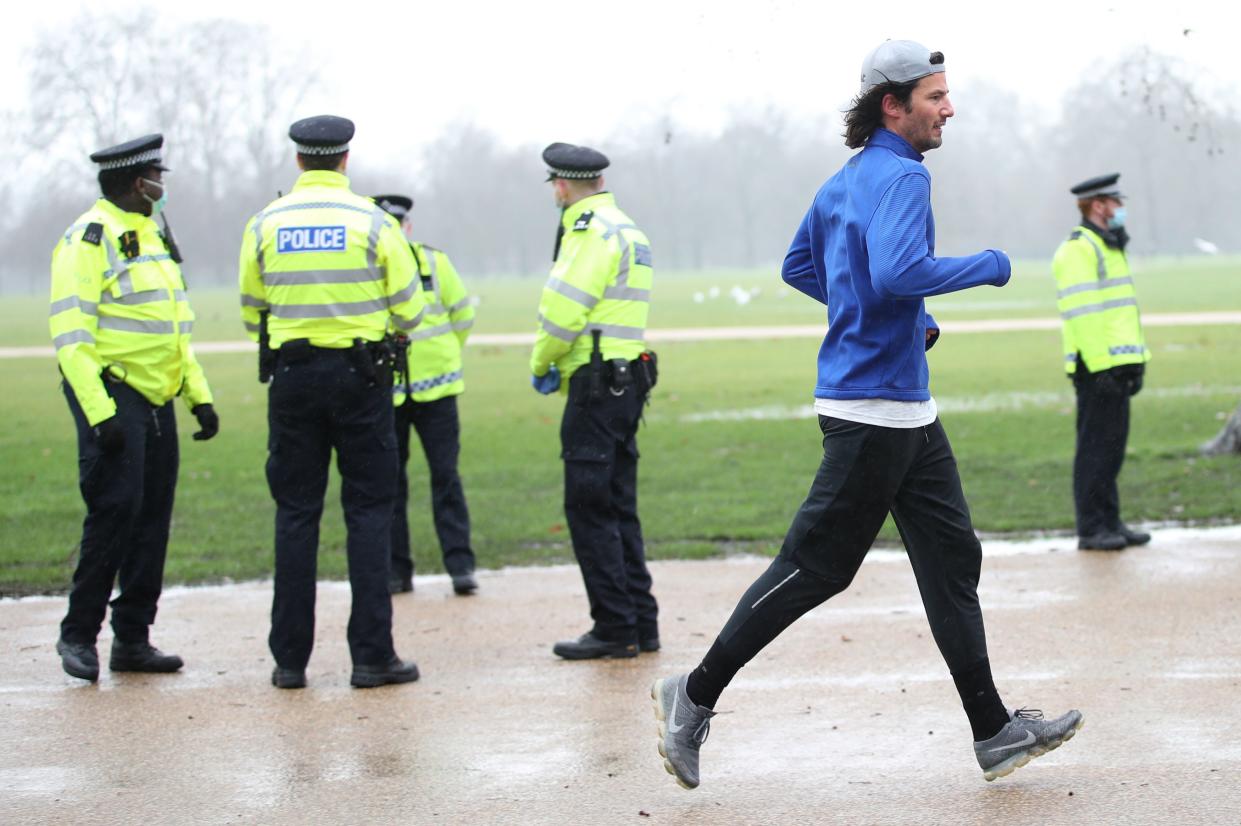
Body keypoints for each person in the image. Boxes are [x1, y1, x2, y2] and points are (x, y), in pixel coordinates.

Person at [650, 40, 1082, 789]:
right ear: (893, 104)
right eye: (935, 97)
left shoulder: (845, 181)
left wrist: (899, 320)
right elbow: (898, 272)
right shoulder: (903, 179)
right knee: (815, 570)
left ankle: (993, 731)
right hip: (870, 412)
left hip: (907, 409)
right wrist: (988, 265)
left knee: (952, 561)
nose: (949, 108)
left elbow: (800, 268)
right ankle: (692, 693)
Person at [239, 116, 426, 689]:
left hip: (293, 376)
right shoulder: (372, 221)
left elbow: (252, 311)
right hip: (362, 377)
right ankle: (372, 657)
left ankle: (289, 661)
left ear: (299, 161)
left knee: (296, 514)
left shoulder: (266, 222)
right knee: (369, 514)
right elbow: (411, 308)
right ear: (345, 159)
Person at [49, 134, 219, 682]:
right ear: (133, 183)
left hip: (157, 396)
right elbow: (72, 337)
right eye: (156, 179)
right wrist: (100, 414)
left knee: (152, 518)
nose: (162, 187)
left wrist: (200, 396)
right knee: (114, 512)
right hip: (113, 392)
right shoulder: (88, 239)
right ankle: (78, 635)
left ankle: (133, 639)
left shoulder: (152, 236)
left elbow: (173, 330)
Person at [529, 142, 660, 660]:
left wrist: (541, 363)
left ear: (561, 186)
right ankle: (640, 621)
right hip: (629, 379)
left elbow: (563, 312)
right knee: (619, 504)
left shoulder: (586, 232)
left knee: (588, 506)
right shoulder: (627, 227)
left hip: (596, 382)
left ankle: (614, 625)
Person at [372, 194, 479, 596]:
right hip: (390, 390)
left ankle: (460, 566)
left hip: (438, 388)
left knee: (446, 478)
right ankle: (397, 571)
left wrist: (445, 355)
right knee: (390, 483)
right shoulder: (369, 265)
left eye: (400, 224)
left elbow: (462, 316)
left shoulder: (435, 262)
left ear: (409, 227)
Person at [1052, 174, 1151, 551]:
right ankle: (1092, 528)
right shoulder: (1079, 249)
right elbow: (1084, 313)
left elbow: (1123, 313)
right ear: (1098, 205)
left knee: (1112, 449)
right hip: (1098, 369)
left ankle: (1110, 522)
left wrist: (1139, 361)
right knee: (1095, 450)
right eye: (1115, 201)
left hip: (1119, 364)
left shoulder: (1109, 245)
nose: (1120, 208)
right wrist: (1100, 366)